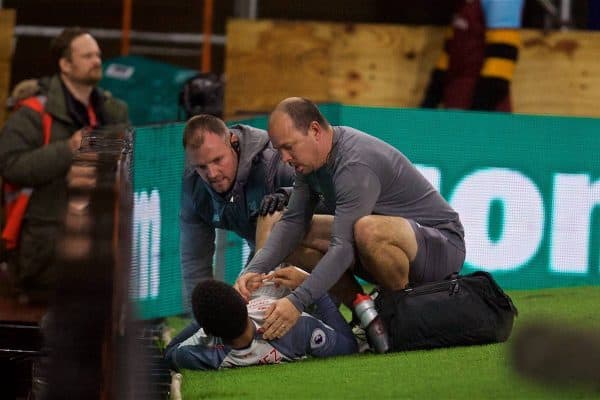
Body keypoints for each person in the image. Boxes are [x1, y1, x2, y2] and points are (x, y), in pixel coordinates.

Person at [235, 97, 465, 341]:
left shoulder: (354, 162)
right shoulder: (311, 163)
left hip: (442, 247)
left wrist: (297, 302)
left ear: (315, 131)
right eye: (279, 149)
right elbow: (293, 223)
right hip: (397, 244)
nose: (284, 158)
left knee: (367, 229)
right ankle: (364, 312)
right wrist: (252, 271)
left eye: (289, 147)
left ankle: (400, 315)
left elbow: (342, 248)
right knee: (295, 232)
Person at [0, 27, 129, 303]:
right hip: (45, 254)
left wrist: (95, 150)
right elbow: (11, 166)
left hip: (101, 246)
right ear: (65, 64)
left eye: (98, 55)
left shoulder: (113, 111)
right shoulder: (32, 114)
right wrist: (68, 149)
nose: (97, 61)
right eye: (87, 56)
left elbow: (127, 156)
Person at [179, 114, 297, 311]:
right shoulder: (193, 186)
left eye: (218, 160)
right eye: (201, 166)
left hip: (307, 250)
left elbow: (322, 199)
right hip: (260, 255)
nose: (212, 173)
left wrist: (289, 195)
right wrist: (203, 315)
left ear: (233, 142)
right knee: (230, 319)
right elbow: (195, 260)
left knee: (262, 316)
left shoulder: (275, 160)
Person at [165, 267, 357, 370]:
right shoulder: (294, 327)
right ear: (243, 302)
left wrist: (206, 318)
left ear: (207, 330)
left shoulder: (201, 354)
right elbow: (349, 347)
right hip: (292, 293)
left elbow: (170, 353)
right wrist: (312, 286)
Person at [420, 0, 524, 111]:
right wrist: (429, 103)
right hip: (456, 104)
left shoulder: (502, 3)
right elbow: (448, 55)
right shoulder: (463, 5)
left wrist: (478, 113)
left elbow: (503, 56)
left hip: (485, 112)